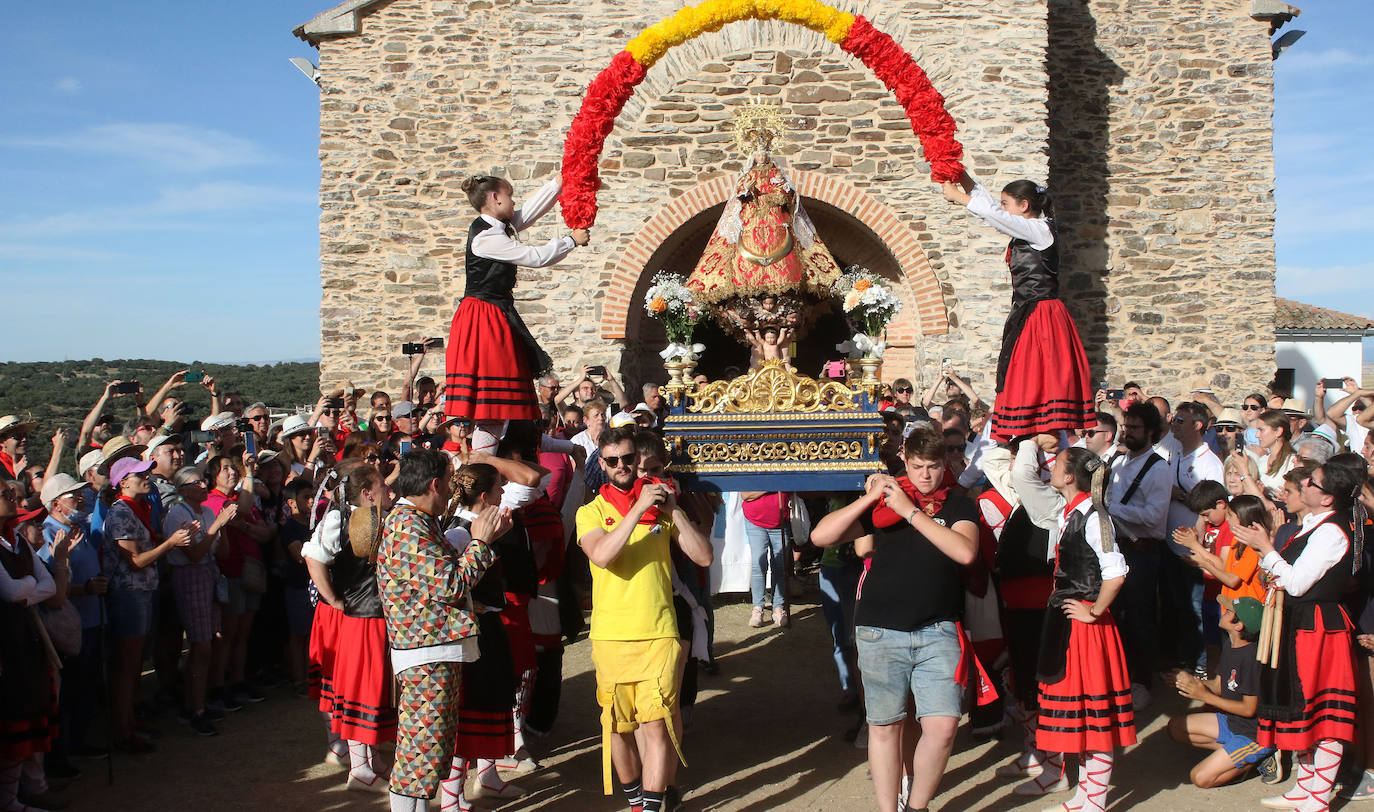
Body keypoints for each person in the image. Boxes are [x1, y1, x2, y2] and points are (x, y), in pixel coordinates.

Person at [811, 425, 979, 812]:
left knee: (942, 728)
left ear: (946, 464)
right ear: (904, 460)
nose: (925, 475)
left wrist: (912, 512)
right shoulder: (884, 505)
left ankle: (916, 806)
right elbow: (822, 537)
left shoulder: (958, 504)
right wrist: (870, 498)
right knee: (885, 727)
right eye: (918, 466)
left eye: (933, 467)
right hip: (880, 630)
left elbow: (966, 553)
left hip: (938, 630)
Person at [575, 426, 714, 812]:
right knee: (618, 728)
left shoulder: (660, 506)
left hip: (659, 631)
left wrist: (674, 513)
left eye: (628, 458)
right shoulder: (590, 513)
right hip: (611, 635)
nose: (622, 466)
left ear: (639, 460)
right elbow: (602, 556)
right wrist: (637, 509)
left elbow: (703, 557)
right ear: (601, 465)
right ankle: (637, 801)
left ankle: (651, 807)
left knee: (656, 725)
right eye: (613, 460)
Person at [377, 449, 510, 812]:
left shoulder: (418, 519)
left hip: (434, 649)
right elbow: (451, 585)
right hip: (426, 653)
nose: (453, 491)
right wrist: (481, 542)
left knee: (432, 752)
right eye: (449, 482)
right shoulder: (408, 524)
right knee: (421, 755)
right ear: (435, 484)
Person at [1235, 454, 1366, 812]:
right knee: (1301, 707)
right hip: (1299, 625)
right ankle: (1306, 788)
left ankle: (1319, 796)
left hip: (1318, 629)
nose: (1305, 484)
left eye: (1312, 482)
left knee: (1324, 713)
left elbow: (1296, 583)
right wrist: (1266, 553)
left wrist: (1265, 548)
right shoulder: (1315, 523)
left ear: (1327, 497)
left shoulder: (1331, 531)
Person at [941, 173, 1093, 439]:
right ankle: (1027, 433)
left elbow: (996, 217)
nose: (1003, 208)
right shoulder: (1030, 228)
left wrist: (960, 198)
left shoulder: (1039, 229)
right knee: (1020, 371)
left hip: (1041, 314)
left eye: (1007, 203)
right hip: (1027, 312)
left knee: (1037, 374)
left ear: (1024, 205)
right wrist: (960, 174)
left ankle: (1043, 432)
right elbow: (989, 206)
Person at [1026, 445, 1136, 811]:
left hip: (1086, 628)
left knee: (1095, 717)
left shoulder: (1094, 517)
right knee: (1080, 715)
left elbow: (1116, 573)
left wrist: (1094, 611)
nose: (1051, 469)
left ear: (1070, 475)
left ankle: (1095, 800)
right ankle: (1085, 794)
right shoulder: (1072, 514)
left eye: (1057, 465)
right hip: (1068, 622)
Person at [444, 174, 590, 424]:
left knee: (505, 389)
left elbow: (528, 214)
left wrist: (560, 182)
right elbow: (534, 257)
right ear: (495, 198)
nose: (513, 202)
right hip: (483, 315)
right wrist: (570, 242)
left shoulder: (496, 228)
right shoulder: (486, 237)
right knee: (493, 398)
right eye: (509, 196)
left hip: (493, 311)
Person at [302, 461, 399, 793]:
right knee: (362, 690)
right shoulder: (339, 519)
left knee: (373, 688)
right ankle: (359, 769)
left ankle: (370, 760)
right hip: (362, 618)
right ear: (366, 493)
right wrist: (333, 599)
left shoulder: (377, 517)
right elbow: (313, 557)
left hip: (374, 617)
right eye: (382, 485)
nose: (390, 489)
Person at [103, 455, 194, 752]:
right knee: (127, 666)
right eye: (140, 473)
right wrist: (171, 544)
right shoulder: (120, 514)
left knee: (133, 664)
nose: (147, 477)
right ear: (123, 482)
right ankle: (122, 730)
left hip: (140, 594)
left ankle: (128, 722)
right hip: (129, 596)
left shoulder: (137, 508)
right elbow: (137, 561)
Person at [1168, 595, 1276, 787]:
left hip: (1253, 735)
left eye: (1228, 612)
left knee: (1200, 778)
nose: (1223, 612)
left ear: (1238, 626)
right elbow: (1219, 685)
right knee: (1176, 728)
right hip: (1233, 723)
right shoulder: (1230, 644)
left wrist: (1204, 696)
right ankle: (1238, 756)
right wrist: (1189, 682)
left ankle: (1259, 757)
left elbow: (1249, 709)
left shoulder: (1252, 659)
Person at [162, 466, 237, 735]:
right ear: (183, 489)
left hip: (209, 574)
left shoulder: (205, 511)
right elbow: (193, 554)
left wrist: (223, 530)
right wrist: (217, 526)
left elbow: (222, 552)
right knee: (201, 645)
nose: (204, 485)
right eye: (197, 482)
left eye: (204, 480)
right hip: (190, 576)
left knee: (209, 642)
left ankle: (198, 703)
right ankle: (194, 707)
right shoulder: (177, 514)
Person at [0, 477, 60, 812]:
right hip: (6, 645)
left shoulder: (17, 543)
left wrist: (22, 592)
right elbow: (9, 591)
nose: (13, 498)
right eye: (5, 494)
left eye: (13, 493)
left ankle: (16, 798)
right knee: (12, 720)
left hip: (24, 640)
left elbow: (48, 585)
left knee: (24, 718)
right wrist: (26, 588)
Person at [1106, 402, 1171, 705]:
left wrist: (1111, 508)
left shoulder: (1159, 467)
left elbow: (1154, 516)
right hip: (1118, 549)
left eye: (1134, 428)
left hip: (1142, 552)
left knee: (1140, 618)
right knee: (1116, 616)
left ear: (1150, 432)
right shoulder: (1118, 463)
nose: (1127, 432)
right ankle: (1120, 679)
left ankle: (1142, 681)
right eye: (1126, 426)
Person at [740, 490, 790, 628]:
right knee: (758, 563)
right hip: (755, 519)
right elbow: (745, 495)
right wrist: (772, 486)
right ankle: (758, 608)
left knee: (780, 565)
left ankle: (778, 607)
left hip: (780, 520)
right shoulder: (751, 467)